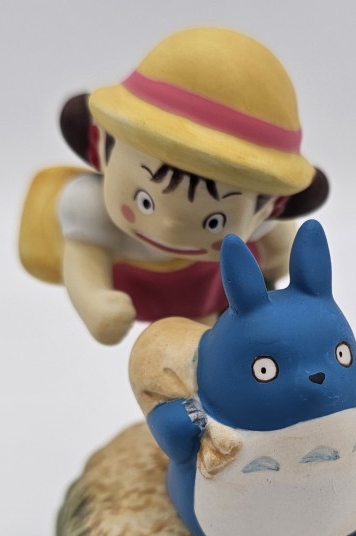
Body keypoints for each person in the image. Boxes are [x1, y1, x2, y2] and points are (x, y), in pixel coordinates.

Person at [19, 27, 329, 344]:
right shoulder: (92, 212)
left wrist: (272, 277)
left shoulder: (265, 226)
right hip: (141, 297)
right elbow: (83, 269)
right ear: (100, 145)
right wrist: (97, 306)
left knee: (200, 343)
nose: (168, 227)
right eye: (145, 201)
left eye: (214, 221)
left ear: (271, 206)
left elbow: (278, 256)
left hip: (205, 305)